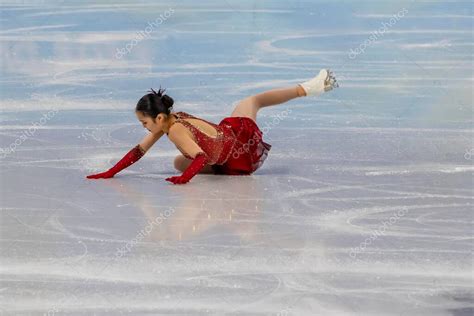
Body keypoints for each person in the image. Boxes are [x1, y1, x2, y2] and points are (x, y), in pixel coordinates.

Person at [86, 69, 338, 184]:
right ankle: (305, 88)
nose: (144, 128)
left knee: (252, 102)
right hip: (232, 152)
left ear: (159, 119)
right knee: (251, 101)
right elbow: (139, 150)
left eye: (144, 123)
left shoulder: (174, 130)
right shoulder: (170, 120)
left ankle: (309, 88)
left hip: (240, 145)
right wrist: (111, 172)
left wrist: (183, 180)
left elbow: (200, 156)